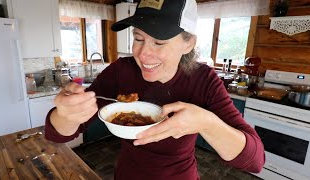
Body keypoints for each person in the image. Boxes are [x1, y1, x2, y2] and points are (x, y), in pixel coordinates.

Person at [45, 0, 265, 179]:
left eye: (159, 43)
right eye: (138, 39)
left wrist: (207, 123)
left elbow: (255, 161)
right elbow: (58, 134)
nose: (143, 54)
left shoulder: (203, 80)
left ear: (188, 44)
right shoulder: (121, 71)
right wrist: (67, 114)